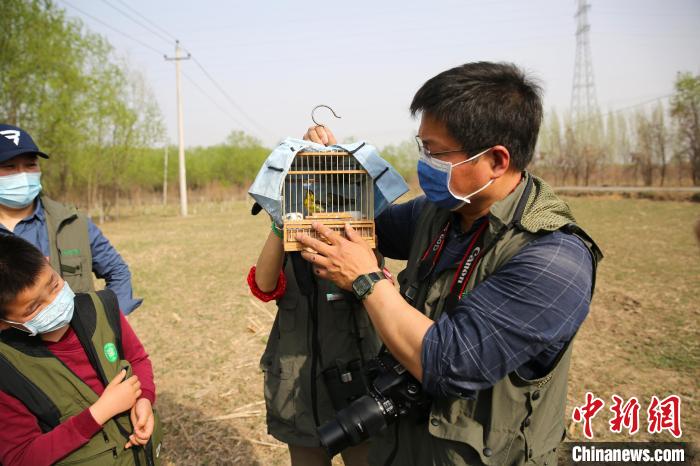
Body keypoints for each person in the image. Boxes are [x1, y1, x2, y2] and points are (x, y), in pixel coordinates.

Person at [298, 61, 603, 465]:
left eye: (436, 153)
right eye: (421, 147)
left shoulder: (554, 261)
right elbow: (368, 229)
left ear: (496, 160)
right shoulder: (441, 211)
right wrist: (330, 167)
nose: (424, 163)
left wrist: (367, 280)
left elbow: (451, 362)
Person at [247, 138, 403, 466]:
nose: (319, 206)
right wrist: (281, 225)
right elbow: (263, 285)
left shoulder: (357, 237)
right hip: (298, 389)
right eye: (308, 193)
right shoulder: (287, 243)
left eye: (331, 193)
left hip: (357, 384)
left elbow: (380, 281)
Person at [0, 235, 161, 465]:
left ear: (49, 262)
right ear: (4, 322)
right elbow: (21, 457)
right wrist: (100, 412)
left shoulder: (102, 308)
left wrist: (144, 398)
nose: (53, 302)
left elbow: (137, 358)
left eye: (53, 285)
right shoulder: (7, 372)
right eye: (34, 307)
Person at [0, 124, 142, 315]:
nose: (23, 175)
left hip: (72, 341)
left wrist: (111, 323)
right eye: (9, 167)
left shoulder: (72, 223)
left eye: (30, 165)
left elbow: (117, 271)